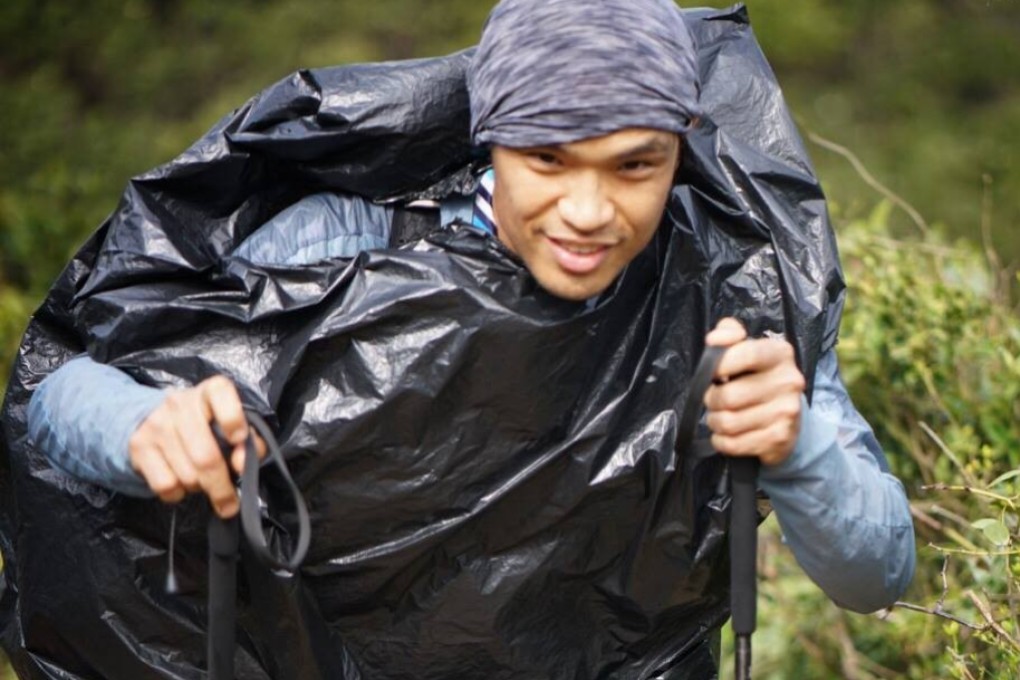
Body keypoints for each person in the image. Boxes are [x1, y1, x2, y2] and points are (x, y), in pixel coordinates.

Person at [11, 1, 914, 677]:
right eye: (548, 160)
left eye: (636, 165)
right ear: (490, 140)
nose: (591, 212)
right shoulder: (343, 244)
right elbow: (58, 394)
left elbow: (877, 575)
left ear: (681, 149)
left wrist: (797, 447)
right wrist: (143, 424)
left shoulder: (727, 299)